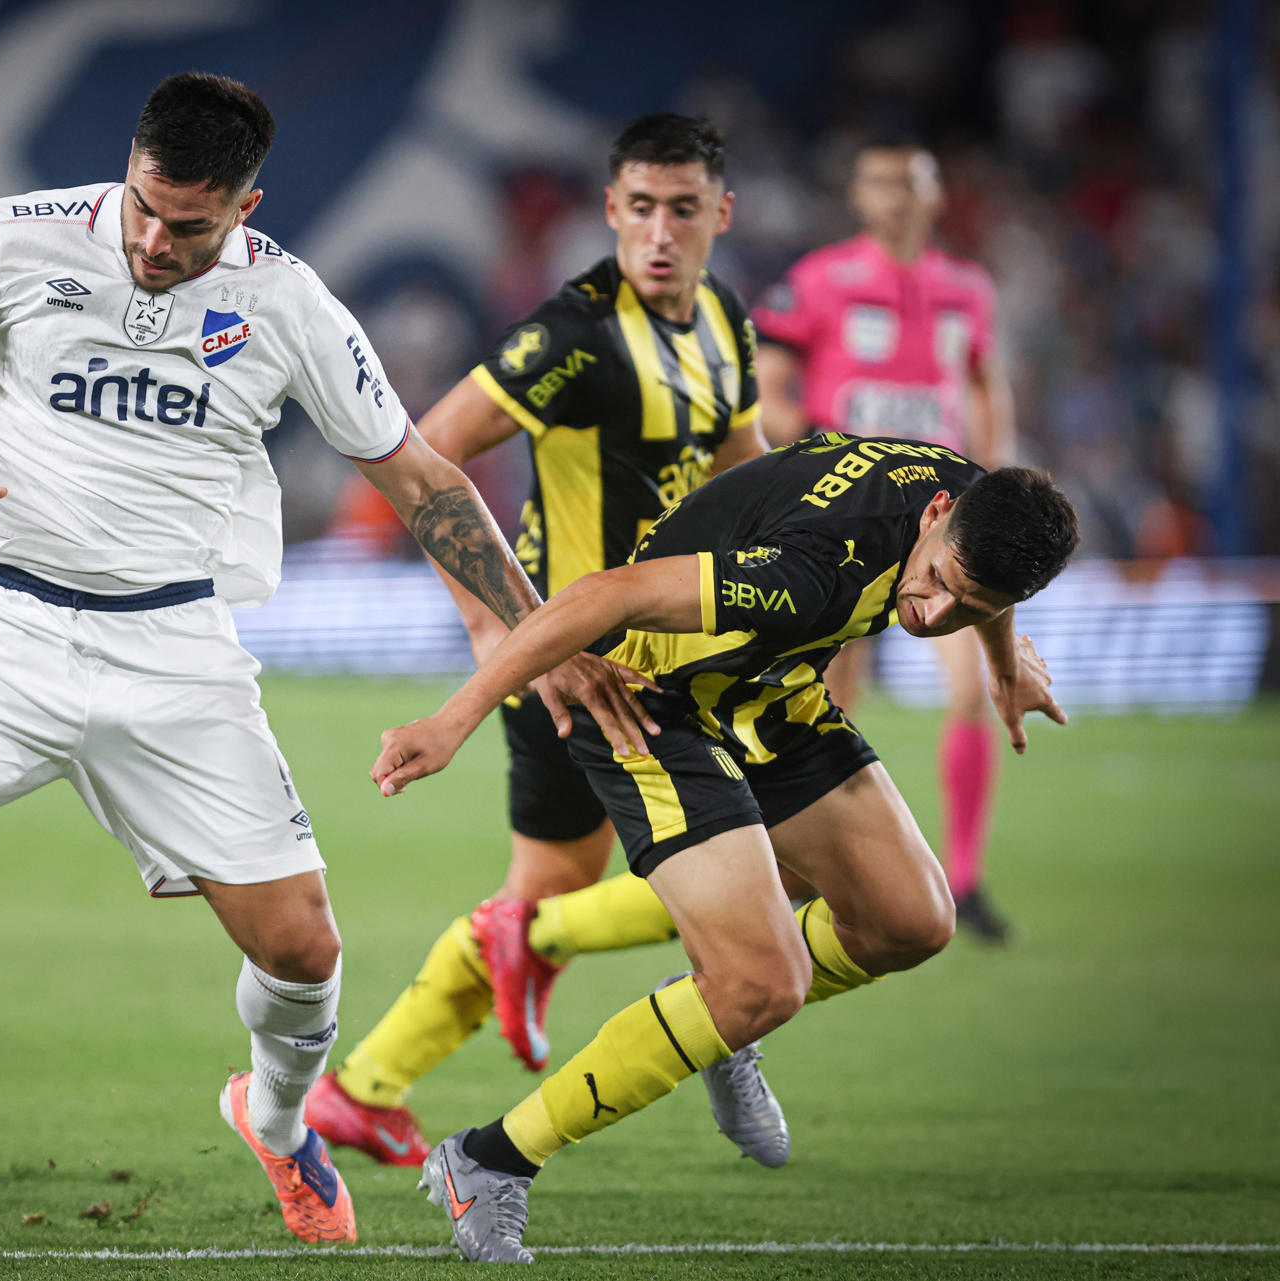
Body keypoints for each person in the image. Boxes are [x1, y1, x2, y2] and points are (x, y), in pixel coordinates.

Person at [0, 72, 642, 1246]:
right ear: (130, 164)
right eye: (146, 208)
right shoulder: (10, 239)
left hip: (173, 653)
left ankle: (274, 1119)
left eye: (193, 226)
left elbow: (422, 480)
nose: (158, 243)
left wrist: (537, 637)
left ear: (247, 207)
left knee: (305, 950)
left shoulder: (291, 305)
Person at [371, 434, 1077, 1262]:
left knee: (914, 919)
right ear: (934, 516)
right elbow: (608, 594)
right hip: (652, 708)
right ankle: (491, 1159)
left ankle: (716, 1008)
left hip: (771, 693)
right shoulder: (813, 571)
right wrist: (452, 720)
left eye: (974, 607)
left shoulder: (972, 498)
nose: (933, 614)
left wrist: (998, 664)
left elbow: (985, 578)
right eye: (939, 585)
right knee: (761, 982)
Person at [304, 114, 792, 1172]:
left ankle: (362, 1089)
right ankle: (666, 1012)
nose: (660, 232)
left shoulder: (723, 322)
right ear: (611, 210)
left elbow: (745, 476)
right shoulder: (576, 333)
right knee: (778, 875)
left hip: (664, 666)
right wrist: (507, 629)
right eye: (641, 208)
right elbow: (421, 454)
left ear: (723, 215)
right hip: (583, 675)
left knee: (544, 900)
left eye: (685, 210)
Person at [752, 140, 1019, 942]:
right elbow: (768, 389)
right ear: (859, 195)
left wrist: (996, 479)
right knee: (833, 690)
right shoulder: (821, 279)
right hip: (853, 519)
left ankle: (964, 880)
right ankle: (796, 867)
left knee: (969, 686)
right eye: (879, 182)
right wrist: (822, 462)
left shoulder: (968, 290)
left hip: (944, 516)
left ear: (935, 194)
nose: (895, 197)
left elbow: (984, 383)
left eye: (909, 182)